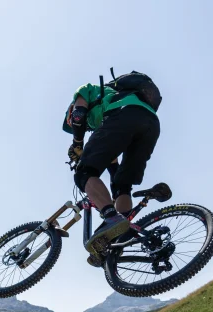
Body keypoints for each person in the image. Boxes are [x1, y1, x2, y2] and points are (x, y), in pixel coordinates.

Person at [63, 76, 161, 266]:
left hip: (124, 114)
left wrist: (77, 143)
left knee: (84, 173)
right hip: (150, 123)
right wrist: (111, 196)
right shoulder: (109, 110)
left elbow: (78, 115)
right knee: (122, 185)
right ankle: (119, 237)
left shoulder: (86, 91)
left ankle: (111, 218)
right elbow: (113, 166)